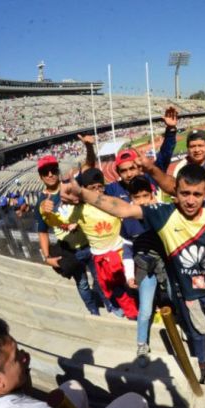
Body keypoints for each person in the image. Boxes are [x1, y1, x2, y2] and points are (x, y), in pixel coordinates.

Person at [62, 163, 205, 379]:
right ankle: (202, 358)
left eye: (197, 194)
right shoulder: (162, 213)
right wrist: (80, 192)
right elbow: (121, 208)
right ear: (175, 194)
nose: (190, 200)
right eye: (185, 193)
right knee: (197, 331)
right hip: (188, 292)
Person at [0, 317, 149, 408]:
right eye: (17, 357)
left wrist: (23, 375)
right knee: (136, 403)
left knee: (75, 387)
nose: (25, 357)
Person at [43, 168, 139, 319]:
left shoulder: (111, 202)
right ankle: (130, 313)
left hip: (121, 253)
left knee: (131, 283)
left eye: (100, 186)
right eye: (92, 188)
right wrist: (46, 212)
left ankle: (136, 309)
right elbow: (57, 221)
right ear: (85, 190)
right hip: (101, 259)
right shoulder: (79, 209)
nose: (97, 191)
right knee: (114, 288)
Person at [34, 153, 111, 316]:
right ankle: (93, 311)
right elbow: (42, 232)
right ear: (40, 176)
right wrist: (47, 258)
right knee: (82, 283)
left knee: (100, 279)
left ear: (57, 170)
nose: (50, 175)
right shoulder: (41, 202)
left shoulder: (71, 185)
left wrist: (89, 147)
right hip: (70, 250)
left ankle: (110, 306)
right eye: (45, 172)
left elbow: (89, 166)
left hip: (90, 243)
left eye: (53, 170)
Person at [124, 176, 169, 367]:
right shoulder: (127, 220)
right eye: (137, 197)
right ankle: (142, 343)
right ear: (131, 198)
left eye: (146, 195)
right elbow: (126, 248)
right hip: (145, 268)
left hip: (167, 266)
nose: (142, 201)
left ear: (153, 195)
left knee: (175, 300)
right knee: (145, 309)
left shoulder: (161, 212)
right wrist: (129, 274)